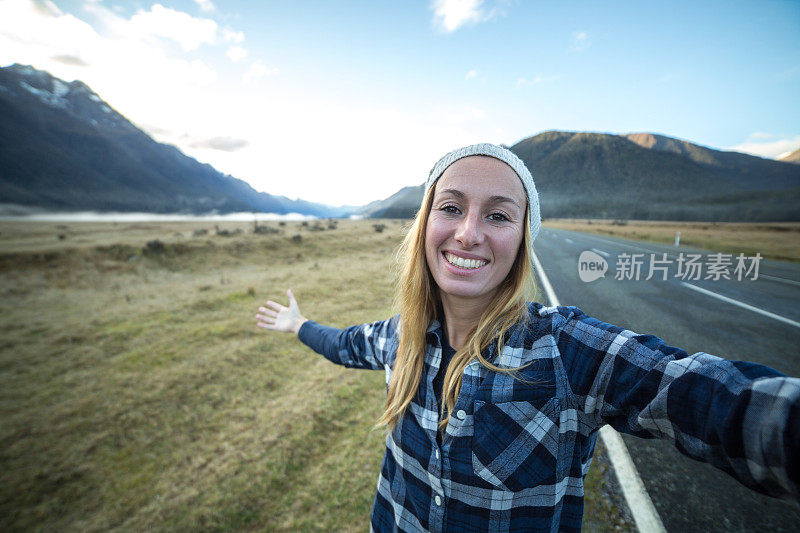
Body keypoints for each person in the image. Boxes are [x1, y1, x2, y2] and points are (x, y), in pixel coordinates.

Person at [255, 143, 799, 532]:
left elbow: (715, 401)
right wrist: (297, 325)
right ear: (425, 224)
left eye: (498, 215)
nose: (468, 232)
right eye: (451, 207)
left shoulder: (566, 350)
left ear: (522, 240)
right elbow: (345, 344)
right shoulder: (403, 338)